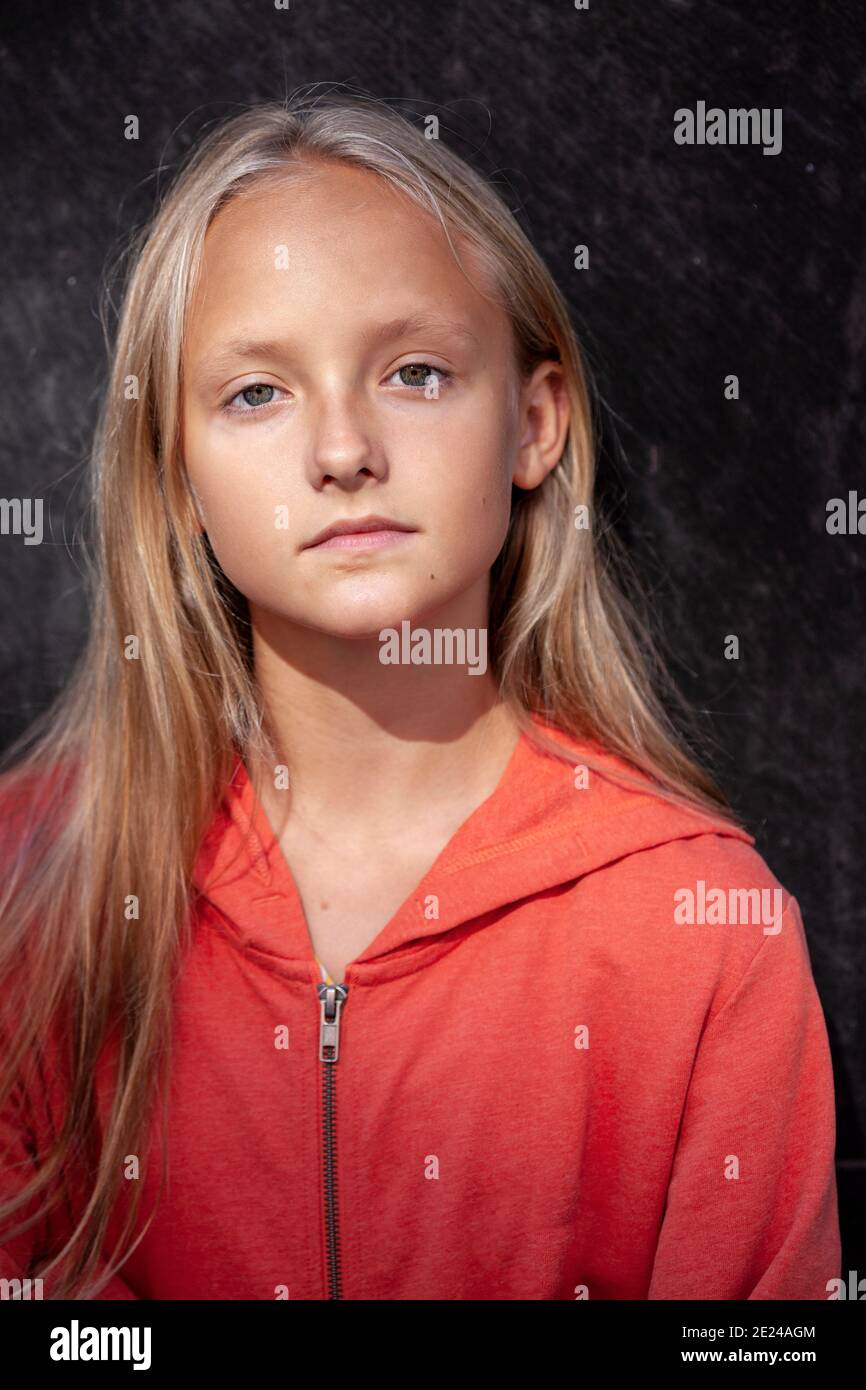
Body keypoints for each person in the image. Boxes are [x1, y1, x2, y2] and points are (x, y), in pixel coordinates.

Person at [0, 92, 840, 1300]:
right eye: (255, 393)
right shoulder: (34, 895)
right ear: (173, 478)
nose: (342, 450)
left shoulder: (702, 934)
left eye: (413, 371)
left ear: (533, 424)